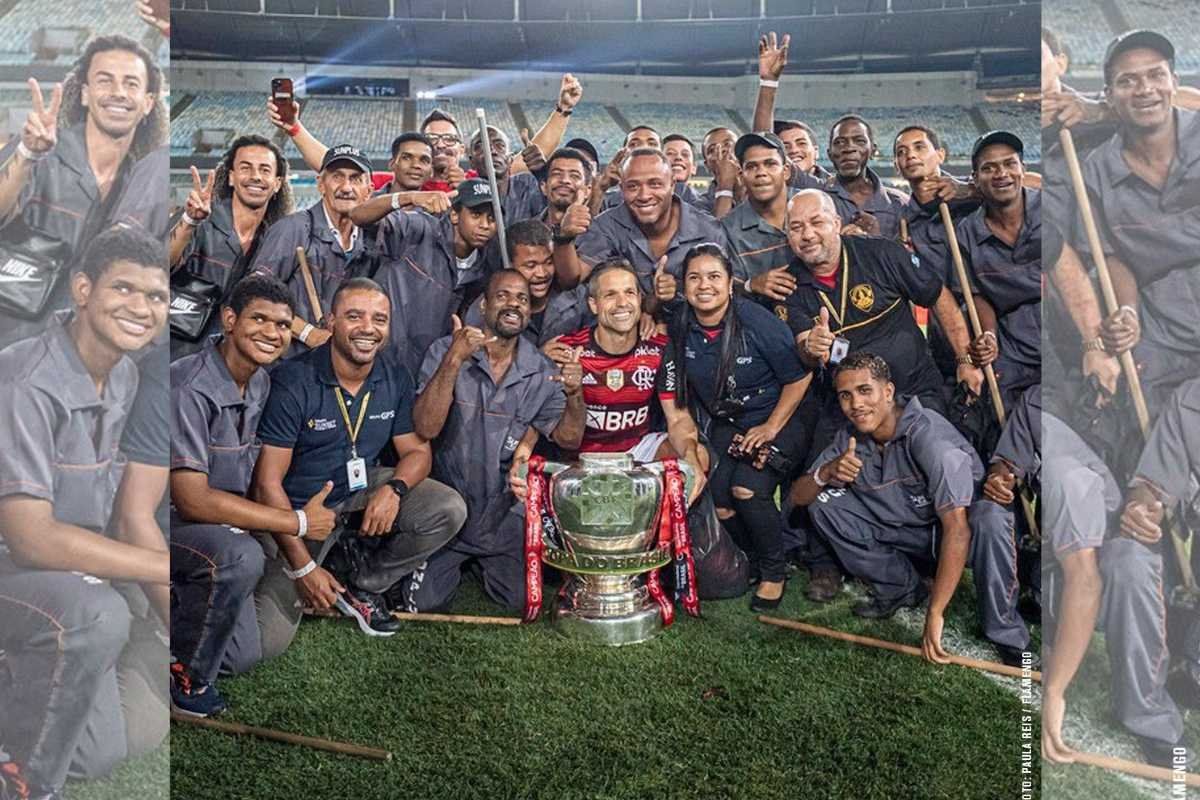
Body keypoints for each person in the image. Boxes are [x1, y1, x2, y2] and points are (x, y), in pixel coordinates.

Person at [0, 225, 169, 800]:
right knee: (99, 616)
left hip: (61, 579)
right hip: (16, 567)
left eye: (156, 297)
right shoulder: (24, 378)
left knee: (99, 753)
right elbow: (30, 539)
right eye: (123, 289)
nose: (141, 308)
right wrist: (157, 568)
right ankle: (25, 783)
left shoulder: (124, 374)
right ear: (81, 289)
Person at [250, 277, 466, 637]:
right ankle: (323, 557)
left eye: (379, 319)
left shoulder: (393, 375)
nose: (368, 328)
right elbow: (266, 485)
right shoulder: (293, 381)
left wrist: (394, 489)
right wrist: (303, 567)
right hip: (299, 511)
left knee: (447, 508)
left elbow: (416, 452)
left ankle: (366, 583)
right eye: (355, 316)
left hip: (356, 491)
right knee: (267, 638)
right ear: (331, 323)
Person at [168, 275, 341, 717]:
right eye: (258, 319)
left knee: (240, 655)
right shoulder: (188, 386)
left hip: (216, 530)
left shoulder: (261, 382)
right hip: (155, 524)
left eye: (282, 325)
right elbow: (191, 499)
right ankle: (184, 682)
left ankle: (167, 610)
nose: (272, 332)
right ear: (229, 320)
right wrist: (297, 523)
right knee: (241, 556)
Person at [789, 353, 1030, 666]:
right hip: (905, 530)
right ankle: (903, 588)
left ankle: (1008, 635)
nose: (856, 405)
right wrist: (827, 472)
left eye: (865, 391)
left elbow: (958, 529)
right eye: (845, 396)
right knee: (824, 504)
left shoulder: (931, 437)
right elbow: (797, 496)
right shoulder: (849, 437)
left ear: (888, 392)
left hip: (958, 534)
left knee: (992, 518)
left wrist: (936, 613)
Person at [403, 270, 584, 611]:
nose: (513, 304)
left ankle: (482, 561)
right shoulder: (446, 349)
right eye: (503, 296)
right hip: (448, 510)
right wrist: (454, 360)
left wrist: (575, 393)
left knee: (519, 601)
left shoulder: (543, 369)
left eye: (522, 299)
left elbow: (569, 439)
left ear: (529, 312)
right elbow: (425, 427)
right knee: (421, 602)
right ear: (483, 305)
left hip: (502, 514)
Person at [0, 35, 167, 348]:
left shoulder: (144, 182)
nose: (118, 92)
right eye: (105, 81)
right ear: (86, 94)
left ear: (148, 103)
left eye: (131, 84)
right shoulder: (40, 151)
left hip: (82, 359)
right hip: (10, 339)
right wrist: (27, 154)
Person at [670, 243, 810, 611]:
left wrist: (770, 428)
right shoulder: (680, 324)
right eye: (695, 277)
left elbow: (799, 378)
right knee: (718, 498)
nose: (704, 285)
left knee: (747, 488)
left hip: (782, 416)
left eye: (714, 276)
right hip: (727, 422)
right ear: (683, 286)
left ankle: (775, 572)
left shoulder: (757, 320)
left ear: (731, 282)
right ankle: (748, 558)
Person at [1070, 30, 1200, 415]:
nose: (1145, 89)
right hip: (1160, 321)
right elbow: (1109, 256)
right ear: (1109, 96)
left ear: (1174, 83)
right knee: (1146, 413)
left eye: (1156, 75)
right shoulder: (1093, 172)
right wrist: (1126, 311)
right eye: (1128, 81)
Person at [1107, 378, 1200, 768]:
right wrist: (1143, 508)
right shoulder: (1193, 399)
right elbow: (1154, 484)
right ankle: (1155, 707)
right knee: (1126, 558)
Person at [351, 176, 497, 375]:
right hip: (377, 361)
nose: (485, 225)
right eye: (476, 214)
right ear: (455, 215)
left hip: (424, 372)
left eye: (492, 218)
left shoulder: (484, 269)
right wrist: (408, 197)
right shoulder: (419, 228)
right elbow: (358, 215)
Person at [555, 148, 729, 315]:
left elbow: (723, 294)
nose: (644, 195)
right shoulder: (606, 225)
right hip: (627, 330)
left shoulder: (708, 230)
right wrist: (564, 238)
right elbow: (571, 279)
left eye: (655, 184)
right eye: (633, 187)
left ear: (672, 185)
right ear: (621, 189)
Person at [168, 134, 292, 358]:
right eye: (246, 168)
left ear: (277, 184)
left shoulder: (277, 240)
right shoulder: (199, 218)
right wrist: (189, 222)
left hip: (230, 366)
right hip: (175, 356)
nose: (255, 177)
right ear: (232, 177)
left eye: (265, 170)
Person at [251, 144, 379, 357]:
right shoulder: (293, 229)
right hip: (289, 363)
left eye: (356, 179)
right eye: (337, 177)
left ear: (369, 191)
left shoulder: (371, 241)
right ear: (321, 184)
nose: (346, 187)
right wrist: (308, 333)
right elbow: (256, 292)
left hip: (338, 366)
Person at [953, 131, 1042, 408]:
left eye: (1009, 164)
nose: (1001, 173)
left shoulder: (1054, 209)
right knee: (996, 408)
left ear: (1023, 169)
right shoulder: (965, 232)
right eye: (988, 168)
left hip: (1063, 338)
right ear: (975, 179)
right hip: (1012, 345)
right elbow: (976, 296)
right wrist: (988, 335)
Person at [464, 220, 589, 345]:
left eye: (548, 262)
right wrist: (540, 358)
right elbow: (482, 360)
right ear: (509, 265)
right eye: (530, 266)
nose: (542, 273)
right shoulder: (485, 310)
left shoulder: (578, 298)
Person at [721, 132, 796, 294]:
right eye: (751, 166)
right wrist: (751, 285)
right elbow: (726, 290)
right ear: (740, 176)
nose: (761, 172)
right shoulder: (729, 230)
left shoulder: (812, 204)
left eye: (770, 164)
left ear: (786, 171)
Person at [822, 115, 909, 240]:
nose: (849, 148)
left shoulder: (899, 204)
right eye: (839, 142)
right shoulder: (818, 199)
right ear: (830, 154)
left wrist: (875, 240)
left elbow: (908, 257)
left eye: (860, 141)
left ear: (873, 151)